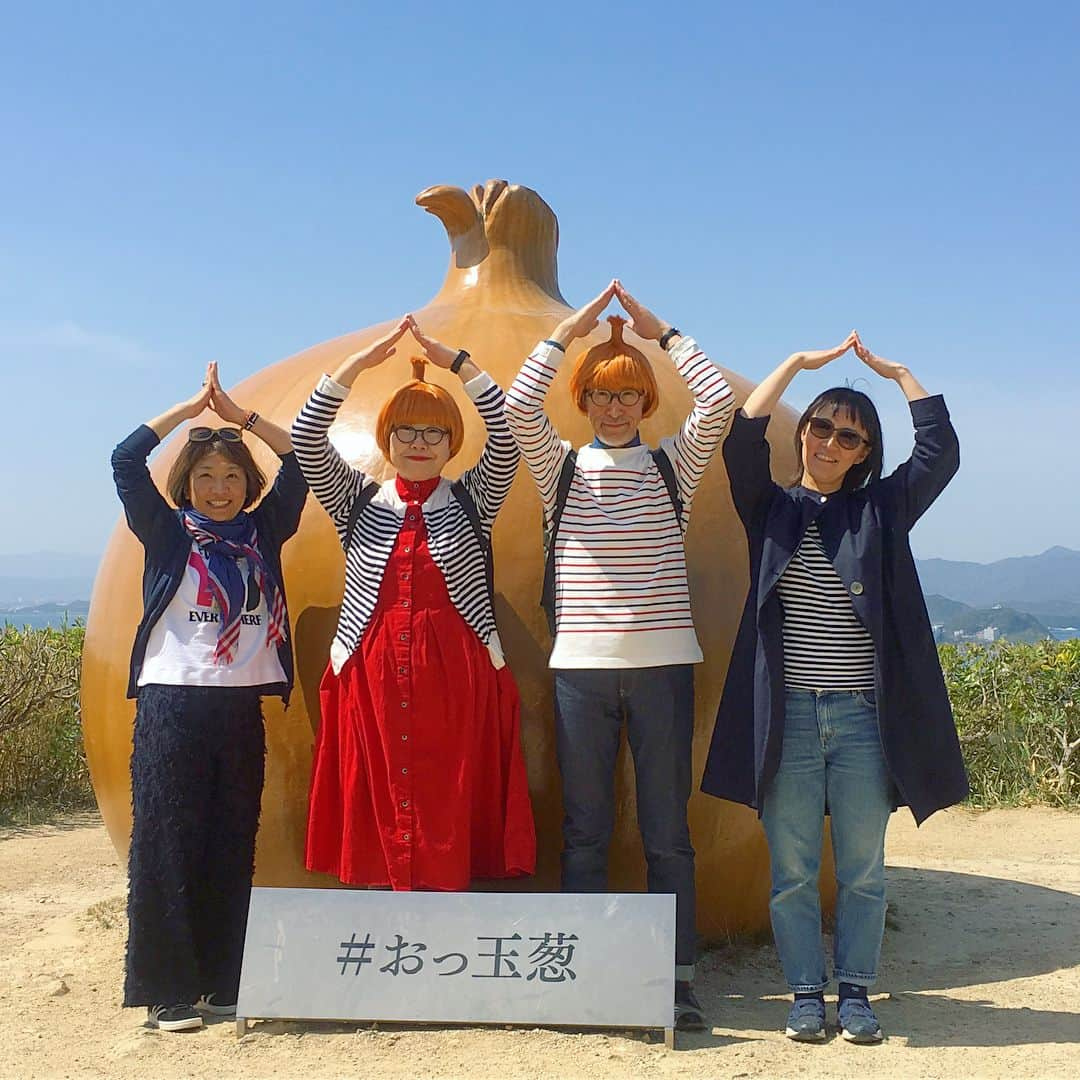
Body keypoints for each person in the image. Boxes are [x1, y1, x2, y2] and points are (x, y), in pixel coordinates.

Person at [701, 331, 967, 1043]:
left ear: (864, 454)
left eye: (847, 437)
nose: (828, 441)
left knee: (862, 871)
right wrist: (794, 365)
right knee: (791, 873)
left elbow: (939, 455)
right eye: (819, 426)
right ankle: (802, 995)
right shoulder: (771, 508)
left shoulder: (881, 510)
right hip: (784, 719)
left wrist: (903, 373)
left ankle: (855, 993)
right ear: (805, 433)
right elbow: (742, 441)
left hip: (859, 723)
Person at [504, 280, 735, 1030]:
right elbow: (513, 408)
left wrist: (661, 333)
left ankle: (676, 979)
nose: (615, 407)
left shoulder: (674, 465)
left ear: (646, 401)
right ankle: (583, 969)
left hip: (665, 665)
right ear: (584, 400)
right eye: (602, 395)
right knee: (586, 827)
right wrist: (570, 331)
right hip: (581, 672)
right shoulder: (559, 468)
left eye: (629, 394)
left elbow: (720, 405)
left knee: (669, 831)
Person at [293, 316, 536, 891]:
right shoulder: (357, 501)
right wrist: (360, 364)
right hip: (371, 663)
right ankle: (389, 927)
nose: (419, 444)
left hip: (457, 666)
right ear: (387, 440)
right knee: (379, 791)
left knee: (447, 791)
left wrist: (461, 365)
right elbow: (307, 438)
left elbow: (509, 434)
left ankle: (442, 923)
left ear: (453, 443)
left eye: (433, 433)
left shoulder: (475, 499)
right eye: (406, 431)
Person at [111, 362, 307, 1032]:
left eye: (230, 478)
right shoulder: (167, 535)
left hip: (238, 707)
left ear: (247, 485)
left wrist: (243, 416)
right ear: (186, 485)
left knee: (231, 842)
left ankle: (225, 979)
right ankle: (167, 990)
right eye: (206, 478)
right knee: (166, 845)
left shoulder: (263, 534)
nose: (220, 490)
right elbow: (124, 457)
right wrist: (191, 409)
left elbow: (302, 456)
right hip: (172, 705)